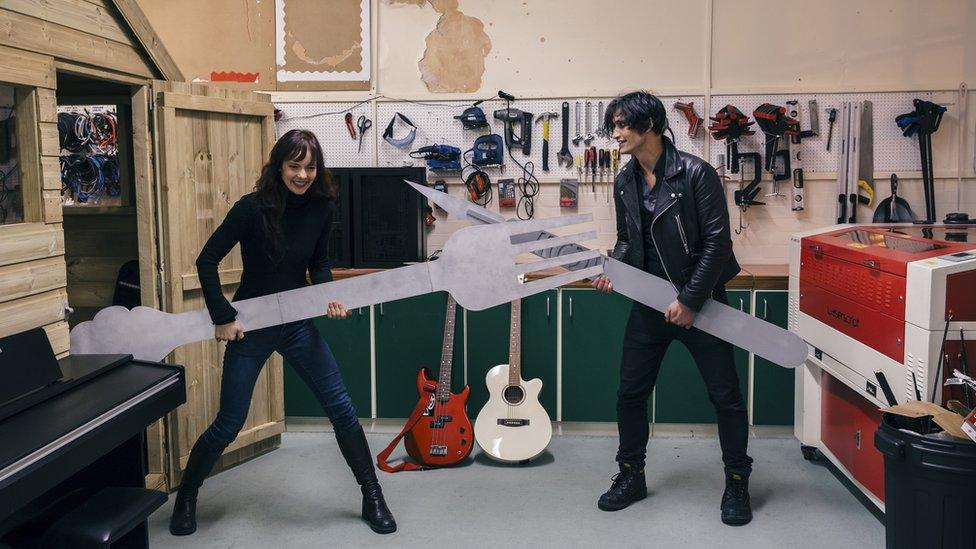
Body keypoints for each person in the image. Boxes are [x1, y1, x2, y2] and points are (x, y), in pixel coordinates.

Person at [169, 129, 396, 536]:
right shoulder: (250, 208)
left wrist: (327, 295)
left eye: (310, 166)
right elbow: (206, 261)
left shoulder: (323, 206)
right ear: (278, 166)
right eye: (295, 165)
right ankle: (186, 496)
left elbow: (320, 262)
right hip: (251, 327)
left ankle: (372, 495)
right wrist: (222, 315)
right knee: (229, 423)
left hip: (296, 325)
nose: (303, 175)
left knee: (342, 408)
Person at [591, 91, 753, 525]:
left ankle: (737, 480)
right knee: (630, 394)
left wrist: (689, 300)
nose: (616, 134)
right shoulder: (624, 179)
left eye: (623, 125)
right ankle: (631, 475)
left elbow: (718, 244)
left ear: (650, 127)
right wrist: (613, 268)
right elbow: (628, 239)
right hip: (647, 306)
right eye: (614, 126)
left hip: (701, 305)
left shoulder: (696, 174)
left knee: (726, 397)